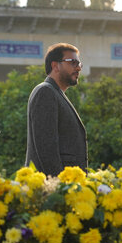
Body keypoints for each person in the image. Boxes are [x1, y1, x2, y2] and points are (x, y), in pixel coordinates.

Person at [25, 43, 88, 176]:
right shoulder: (45, 92)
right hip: (51, 187)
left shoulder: (56, 93)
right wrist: (58, 186)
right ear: (55, 66)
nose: (78, 68)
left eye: (79, 64)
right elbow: (46, 148)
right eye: (73, 62)